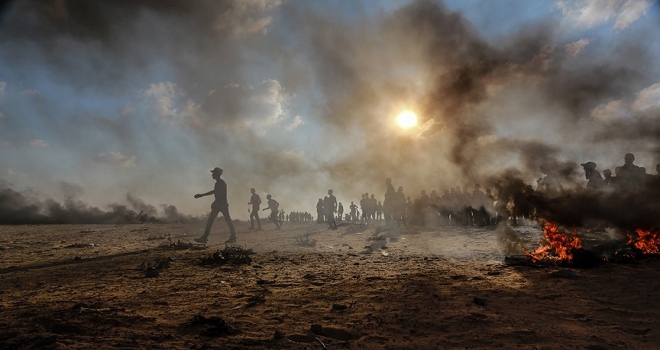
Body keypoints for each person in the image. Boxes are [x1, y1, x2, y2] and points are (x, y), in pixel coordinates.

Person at [194, 167, 236, 244]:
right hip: (220, 204)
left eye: (213, 173)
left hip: (221, 204)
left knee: (221, 220)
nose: (212, 175)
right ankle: (233, 237)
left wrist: (202, 195)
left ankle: (205, 237)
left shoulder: (220, 183)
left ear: (217, 174)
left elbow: (216, 192)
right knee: (225, 220)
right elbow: (217, 193)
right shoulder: (219, 182)